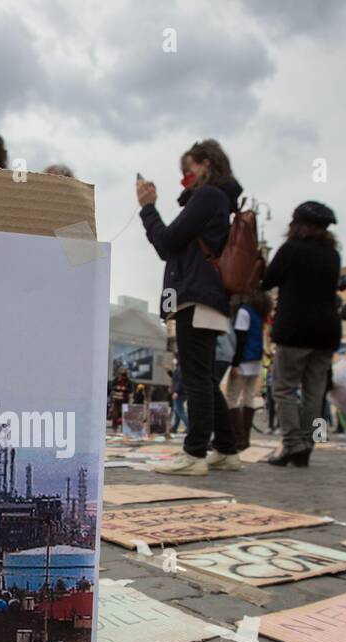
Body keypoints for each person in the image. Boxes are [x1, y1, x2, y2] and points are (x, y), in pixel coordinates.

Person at [137, 140, 242, 474]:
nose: (184, 178)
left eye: (188, 170)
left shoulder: (209, 197)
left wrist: (148, 207)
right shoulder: (219, 201)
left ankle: (194, 454)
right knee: (206, 379)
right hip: (208, 298)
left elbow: (167, 243)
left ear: (207, 164)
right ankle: (226, 449)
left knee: (197, 378)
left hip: (196, 296)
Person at [261, 202, 342, 467]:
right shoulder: (333, 255)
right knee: (314, 392)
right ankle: (306, 444)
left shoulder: (292, 250)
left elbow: (267, 281)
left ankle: (293, 443)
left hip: (295, 330)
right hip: (326, 332)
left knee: (283, 389)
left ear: (298, 225)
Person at [222, 290, 269, 452]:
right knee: (248, 399)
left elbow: (240, 339)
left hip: (243, 361)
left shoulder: (243, 312)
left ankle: (238, 438)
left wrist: (235, 363)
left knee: (231, 399)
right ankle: (245, 438)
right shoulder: (259, 312)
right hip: (256, 361)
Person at [168, 358, 188, 434]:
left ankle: (189, 427)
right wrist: (169, 372)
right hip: (180, 392)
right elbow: (175, 379)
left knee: (180, 410)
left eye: (175, 359)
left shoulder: (180, 369)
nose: (173, 360)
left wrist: (176, 391)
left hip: (180, 393)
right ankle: (174, 428)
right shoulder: (179, 369)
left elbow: (180, 381)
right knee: (177, 411)